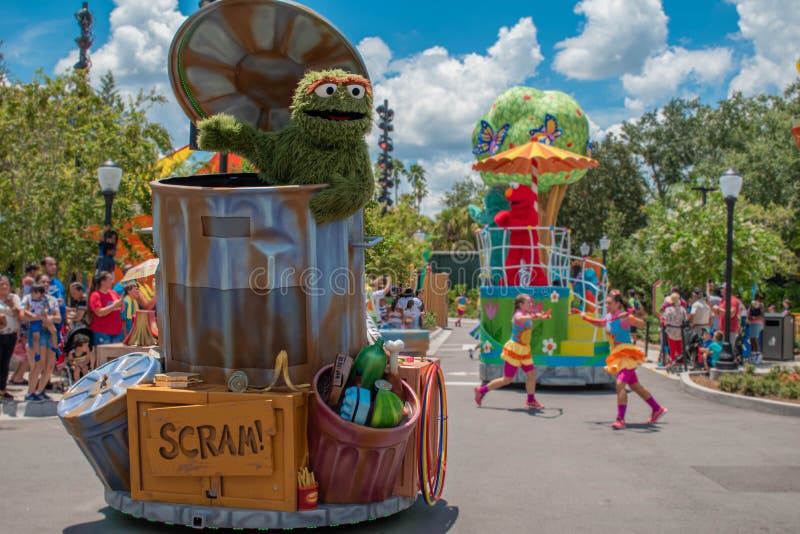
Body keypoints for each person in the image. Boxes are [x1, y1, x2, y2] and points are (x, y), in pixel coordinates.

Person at [577, 291, 667, 429]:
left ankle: (620, 419)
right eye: (606, 302)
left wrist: (630, 318)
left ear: (617, 304)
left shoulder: (623, 317)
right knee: (635, 386)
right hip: (617, 355)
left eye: (609, 303)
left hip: (626, 355)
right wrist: (584, 317)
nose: (606, 305)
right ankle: (657, 408)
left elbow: (642, 324)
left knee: (620, 384)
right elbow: (601, 323)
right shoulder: (609, 316)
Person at [474, 294, 551, 409]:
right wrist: (535, 316)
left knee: (531, 374)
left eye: (531, 302)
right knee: (507, 379)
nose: (531, 304)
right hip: (515, 350)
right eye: (528, 302)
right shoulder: (518, 315)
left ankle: (531, 400)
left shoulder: (527, 314)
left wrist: (542, 316)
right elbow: (519, 319)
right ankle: (481, 390)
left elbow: (531, 317)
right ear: (521, 305)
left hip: (524, 350)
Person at [21, 281, 60, 401]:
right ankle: (30, 392)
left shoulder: (52, 300)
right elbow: (22, 314)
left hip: (51, 332)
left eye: (46, 283)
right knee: (39, 364)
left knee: (49, 366)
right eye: (42, 282)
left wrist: (49, 318)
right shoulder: (28, 298)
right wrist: (37, 318)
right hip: (38, 331)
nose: (45, 285)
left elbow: (58, 318)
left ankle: (40, 391)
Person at [0, 276, 23, 401]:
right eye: (2, 284)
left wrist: (12, 306)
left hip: (11, 334)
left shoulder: (14, 298)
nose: (4, 287)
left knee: (5, 363)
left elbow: (20, 315)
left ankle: (2, 390)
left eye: (6, 284)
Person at [88, 271, 125, 346]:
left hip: (116, 332)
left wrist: (121, 303)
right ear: (102, 282)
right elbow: (99, 313)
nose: (112, 281)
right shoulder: (95, 295)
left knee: (115, 356)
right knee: (103, 357)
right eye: (110, 279)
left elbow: (121, 310)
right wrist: (114, 306)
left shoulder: (113, 293)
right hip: (102, 332)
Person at [712, 283, 741, 347]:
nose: (721, 290)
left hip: (730, 331)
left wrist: (718, 309)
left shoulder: (733, 300)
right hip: (722, 330)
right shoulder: (722, 300)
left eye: (722, 289)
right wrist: (715, 310)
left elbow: (731, 314)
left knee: (729, 351)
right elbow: (720, 314)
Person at [747, 294, 765, 364]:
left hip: (757, 323)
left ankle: (758, 355)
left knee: (755, 338)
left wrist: (755, 318)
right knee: (751, 339)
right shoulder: (752, 304)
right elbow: (749, 314)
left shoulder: (761, 305)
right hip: (752, 322)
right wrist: (750, 318)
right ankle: (753, 354)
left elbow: (762, 315)